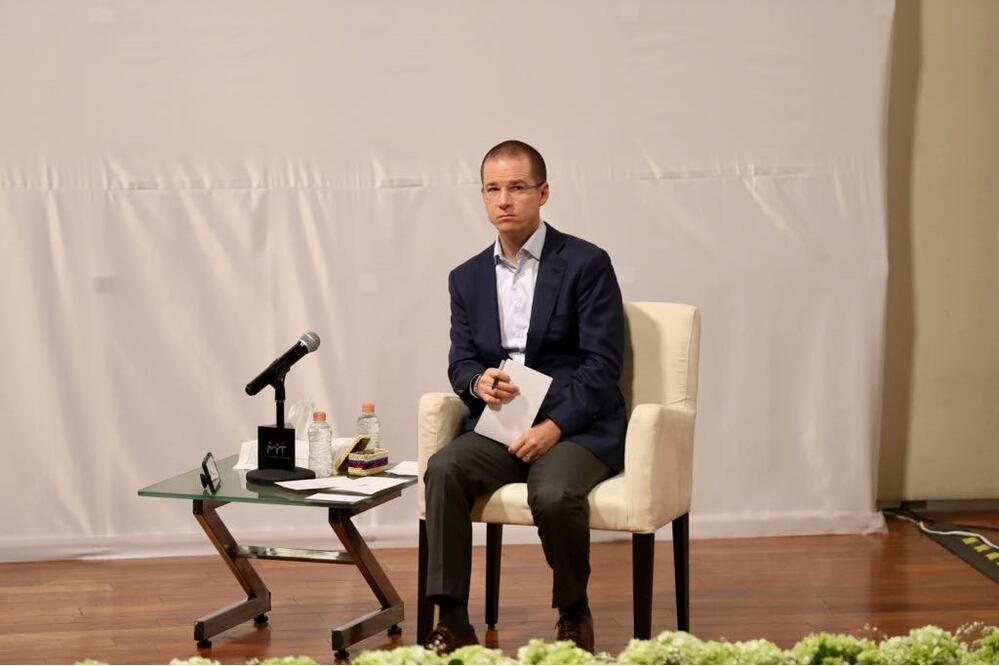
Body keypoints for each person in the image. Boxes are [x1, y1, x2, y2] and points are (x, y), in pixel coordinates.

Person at [422, 140, 627, 655]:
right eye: (493, 188)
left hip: (575, 426)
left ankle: (574, 612)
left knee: (555, 494)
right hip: (501, 424)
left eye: (516, 187)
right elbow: (460, 361)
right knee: (444, 469)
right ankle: (451, 621)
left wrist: (553, 426)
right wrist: (477, 383)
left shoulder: (585, 263)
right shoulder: (465, 278)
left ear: (543, 193)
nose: (504, 200)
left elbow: (603, 366)